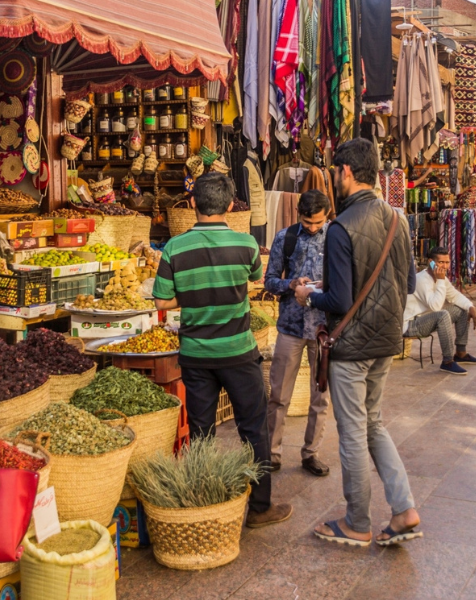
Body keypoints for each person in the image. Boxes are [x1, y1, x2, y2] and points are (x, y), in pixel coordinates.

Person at [293, 138, 420, 547]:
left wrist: (308, 294)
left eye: (334, 172)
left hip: (351, 347)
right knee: (374, 425)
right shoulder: (398, 219)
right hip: (386, 340)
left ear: (345, 171)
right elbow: (410, 283)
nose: (333, 179)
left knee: (352, 432)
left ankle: (357, 521)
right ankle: (404, 510)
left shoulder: (340, 228)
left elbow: (341, 300)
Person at [153, 172, 293, 528]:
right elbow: (253, 280)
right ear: (231, 206)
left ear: (194, 204)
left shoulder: (174, 247)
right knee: (253, 428)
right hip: (238, 352)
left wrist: (192, 294)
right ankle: (260, 508)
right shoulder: (246, 244)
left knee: (201, 432)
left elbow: (162, 300)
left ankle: (204, 505)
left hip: (196, 355)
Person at [263, 191, 332, 477]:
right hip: (290, 325)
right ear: (298, 214)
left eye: (318, 222)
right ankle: (271, 453)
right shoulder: (285, 237)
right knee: (278, 394)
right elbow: (269, 281)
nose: (313, 227)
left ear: (327, 214)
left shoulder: (338, 238)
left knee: (321, 396)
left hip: (323, 328)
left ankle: (311, 453)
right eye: (307, 222)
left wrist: (323, 285)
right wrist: (292, 284)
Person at [402, 247, 476, 376]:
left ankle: (460, 353)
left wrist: (470, 306)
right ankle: (447, 361)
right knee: (442, 315)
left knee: (462, 309)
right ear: (431, 262)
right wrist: (439, 280)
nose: (444, 266)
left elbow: (454, 296)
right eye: (441, 262)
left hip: (424, 319)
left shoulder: (441, 278)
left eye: (447, 262)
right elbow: (436, 307)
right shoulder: (422, 279)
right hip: (410, 324)